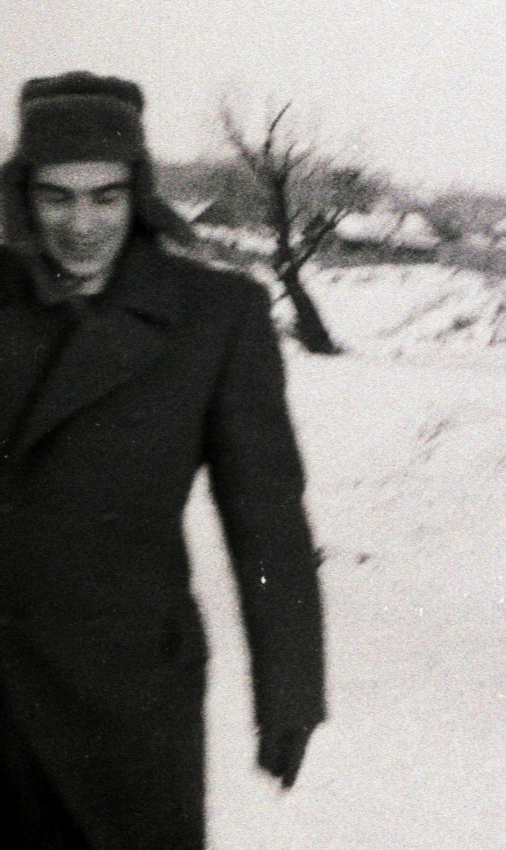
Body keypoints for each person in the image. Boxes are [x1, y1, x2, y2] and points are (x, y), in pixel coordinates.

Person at [0, 72, 326, 849]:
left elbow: (267, 517)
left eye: (105, 197)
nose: (82, 224)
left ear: (138, 193)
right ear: (22, 196)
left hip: (128, 696)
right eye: (57, 198)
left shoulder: (216, 315)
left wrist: (289, 688)